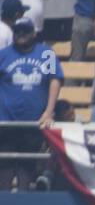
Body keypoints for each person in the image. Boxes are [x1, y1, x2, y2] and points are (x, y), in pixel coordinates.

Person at [0, 19, 62, 191]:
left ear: (34, 33)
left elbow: (55, 80)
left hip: (34, 122)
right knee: (4, 169)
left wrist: (49, 111)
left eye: (25, 31)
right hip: (6, 122)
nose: (21, 34)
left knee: (26, 169)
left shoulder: (47, 54)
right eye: (17, 31)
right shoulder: (3, 54)